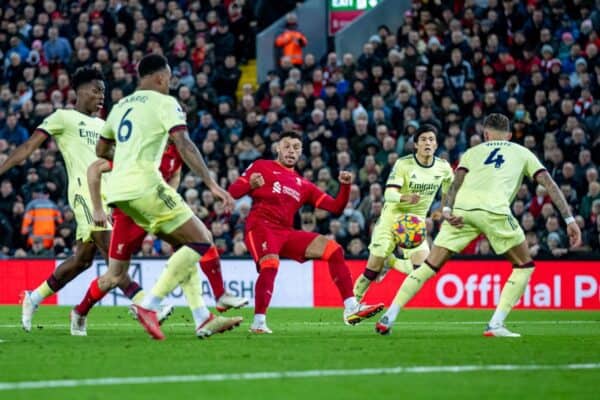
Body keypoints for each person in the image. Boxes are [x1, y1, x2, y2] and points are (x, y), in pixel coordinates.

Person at [374, 114, 581, 336]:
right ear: (510, 136)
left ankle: (389, 316)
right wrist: (569, 220)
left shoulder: (472, 152)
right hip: (494, 210)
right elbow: (549, 183)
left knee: (428, 266)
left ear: (485, 135)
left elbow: (455, 183)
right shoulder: (523, 152)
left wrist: (446, 211)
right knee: (524, 265)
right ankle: (495, 325)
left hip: (461, 212)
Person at [95, 54, 242, 340]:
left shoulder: (119, 106)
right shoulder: (165, 103)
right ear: (161, 77)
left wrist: (125, 158)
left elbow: (101, 150)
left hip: (118, 193)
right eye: (170, 79)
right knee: (202, 240)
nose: (170, 84)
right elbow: (184, 144)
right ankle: (149, 306)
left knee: (184, 245)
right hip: (146, 185)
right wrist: (211, 184)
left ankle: (202, 318)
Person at [0, 67, 148, 332]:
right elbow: (27, 148)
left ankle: (34, 298)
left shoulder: (104, 126)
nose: (101, 96)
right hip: (83, 193)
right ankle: (145, 303)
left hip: (108, 194)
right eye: (96, 90)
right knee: (111, 248)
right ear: (79, 91)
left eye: (103, 92)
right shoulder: (63, 118)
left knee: (82, 260)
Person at [70, 142, 248, 336]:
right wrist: (97, 208)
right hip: (127, 213)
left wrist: (167, 208)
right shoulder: (145, 146)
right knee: (115, 276)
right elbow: (95, 169)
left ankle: (202, 315)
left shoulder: (179, 150)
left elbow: (174, 178)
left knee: (194, 243)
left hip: (155, 210)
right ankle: (80, 312)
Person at [228, 131, 384, 334]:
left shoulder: (303, 185)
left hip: (285, 232)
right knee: (270, 264)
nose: (291, 151)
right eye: (287, 146)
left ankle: (351, 307)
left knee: (333, 249)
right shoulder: (261, 166)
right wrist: (250, 184)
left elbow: (336, 207)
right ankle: (258, 322)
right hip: (260, 227)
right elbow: (232, 192)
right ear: (278, 148)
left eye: (296, 147)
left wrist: (345, 186)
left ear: (301, 152)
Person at [353, 124, 454, 301]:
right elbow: (389, 193)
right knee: (372, 270)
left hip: (414, 223)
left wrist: (442, 209)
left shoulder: (443, 168)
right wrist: (405, 198)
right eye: (423, 140)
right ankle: (353, 303)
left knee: (423, 270)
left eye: (431, 139)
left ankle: (391, 262)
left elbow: (449, 190)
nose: (427, 143)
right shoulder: (403, 164)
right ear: (416, 145)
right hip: (392, 219)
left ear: (436, 145)